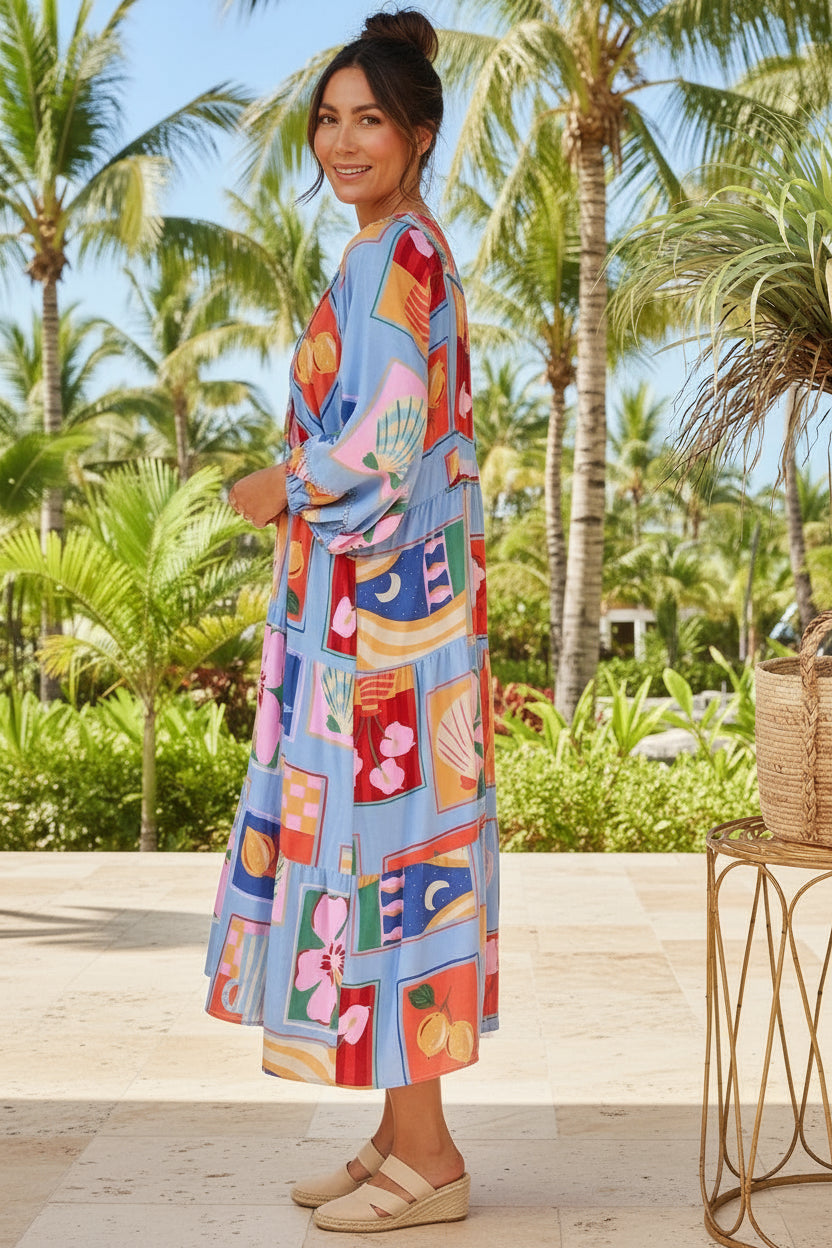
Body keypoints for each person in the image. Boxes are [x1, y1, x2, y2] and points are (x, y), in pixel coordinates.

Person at [204, 8, 499, 1233]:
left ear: (420, 134)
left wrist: (279, 483)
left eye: (367, 119)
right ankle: (396, 1132)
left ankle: (427, 1159)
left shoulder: (397, 255)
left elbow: (377, 442)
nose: (341, 141)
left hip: (386, 623)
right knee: (390, 861)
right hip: (393, 613)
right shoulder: (394, 247)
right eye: (328, 120)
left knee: (391, 857)